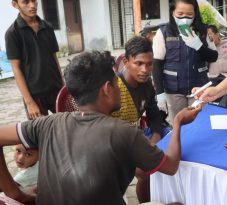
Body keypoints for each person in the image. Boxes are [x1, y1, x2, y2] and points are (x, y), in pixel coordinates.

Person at [0, 51, 201, 205]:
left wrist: (14, 192)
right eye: (116, 83)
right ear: (107, 89)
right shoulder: (124, 133)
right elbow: (171, 166)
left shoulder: (47, 123)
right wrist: (178, 123)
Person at [111, 36, 170, 203]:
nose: (145, 69)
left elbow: (153, 115)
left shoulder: (147, 85)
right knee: (146, 171)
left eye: (149, 64)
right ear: (126, 61)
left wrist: (155, 138)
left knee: (152, 168)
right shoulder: (113, 88)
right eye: (139, 63)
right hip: (111, 144)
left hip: (133, 139)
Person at [152, 0, 218, 122]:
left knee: (198, 122)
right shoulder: (164, 32)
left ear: (195, 13)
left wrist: (199, 46)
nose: (184, 18)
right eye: (180, 14)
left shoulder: (203, 31)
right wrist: (159, 93)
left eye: (189, 14)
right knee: (177, 124)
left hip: (199, 88)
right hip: (173, 90)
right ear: (172, 13)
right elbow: (156, 64)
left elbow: (213, 57)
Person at [5, 0, 63, 120]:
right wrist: (29, 102)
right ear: (15, 4)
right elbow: (16, 69)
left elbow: (54, 58)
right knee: (41, 136)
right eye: (26, 2)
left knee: (67, 128)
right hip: (34, 96)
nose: (32, 5)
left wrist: (63, 86)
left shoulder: (48, 27)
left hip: (56, 90)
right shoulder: (12, 33)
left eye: (34, 1)